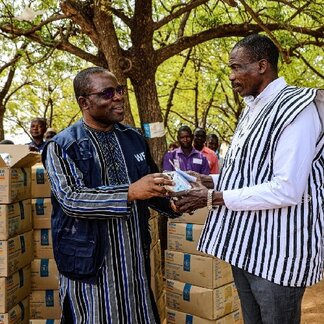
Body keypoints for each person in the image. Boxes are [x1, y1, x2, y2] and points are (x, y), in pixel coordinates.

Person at [171, 34, 323, 324]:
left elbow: (288, 189)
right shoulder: (252, 109)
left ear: (262, 66)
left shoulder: (297, 108)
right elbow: (250, 173)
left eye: (236, 67)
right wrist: (209, 181)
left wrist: (211, 198)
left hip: (279, 254)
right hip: (246, 247)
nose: (231, 76)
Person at [42, 67, 179, 324]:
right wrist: (129, 192)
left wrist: (174, 201)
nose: (117, 97)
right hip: (91, 265)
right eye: (107, 93)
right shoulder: (62, 146)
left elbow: (149, 186)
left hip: (133, 261)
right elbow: (71, 198)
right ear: (84, 102)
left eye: (119, 90)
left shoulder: (134, 138)